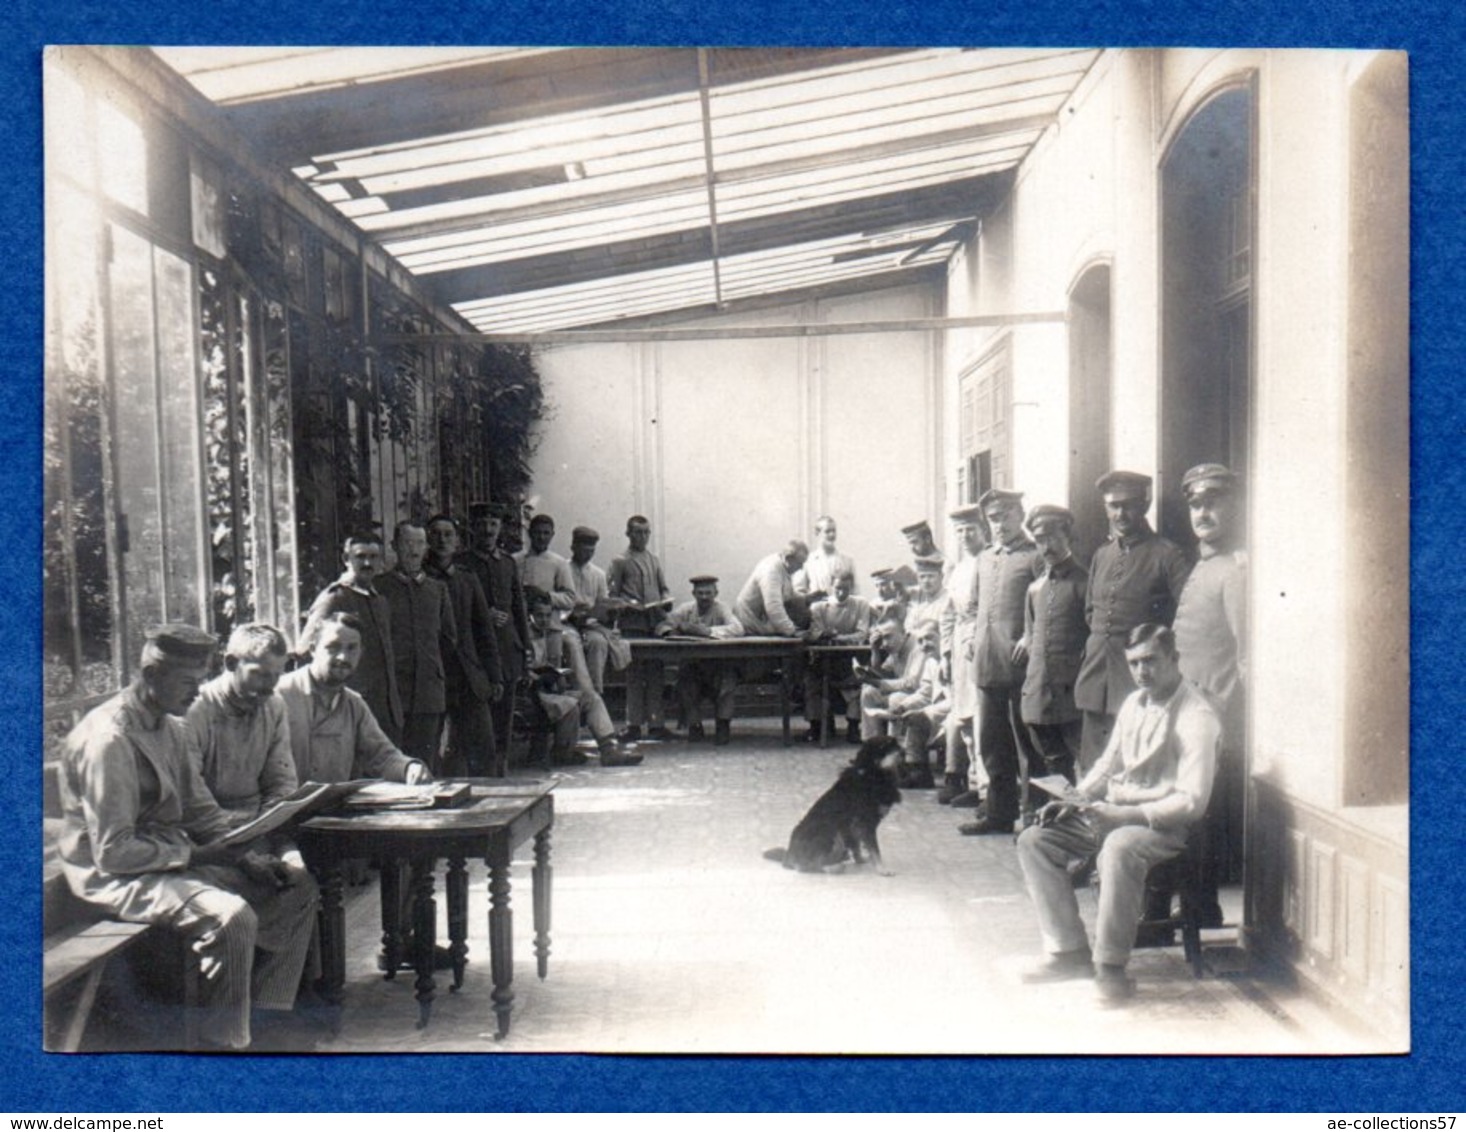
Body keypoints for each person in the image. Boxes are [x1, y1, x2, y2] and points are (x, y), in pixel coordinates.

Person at [57, 624, 318, 1050]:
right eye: (187, 682)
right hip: (114, 877)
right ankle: (226, 1045)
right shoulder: (110, 739)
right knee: (232, 918)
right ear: (150, 674)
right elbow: (112, 852)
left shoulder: (170, 727)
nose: (197, 694)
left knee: (298, 888)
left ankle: (269, 1022)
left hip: (167, 860)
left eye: (200, 682)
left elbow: (201, 811)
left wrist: (247, 857)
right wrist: (200, 857)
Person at [1015, 624, 1220, 1003]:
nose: (1142, 672)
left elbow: (1193, 802)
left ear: (1174, 659)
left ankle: (1109, 967)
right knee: (1035, 840)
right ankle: (1068, 951)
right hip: (1111, 812)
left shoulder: (1197, 716)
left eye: (1151, 661)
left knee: (1119, 848)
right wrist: (1075, 798)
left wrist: (1124, 816)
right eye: (1134, 663)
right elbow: (1108, 768)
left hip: (1163, 826)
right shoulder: (1133, 703)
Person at [1074, 471, 1192, 774]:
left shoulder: (1167, 555)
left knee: (1130, 765)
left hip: (1138, 678)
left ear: (1145, 505)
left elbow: (1187, 616)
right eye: (1113, 506)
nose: (1120, 513)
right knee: (1092, 765)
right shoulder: (1102, 555)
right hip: (1095, 678)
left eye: (1128, 505)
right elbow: (1091, 612)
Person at [1172, 463, 1247, 926]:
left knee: (1203, 815)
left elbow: (1245, 655)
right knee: (1191, 814)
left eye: (1212, 502)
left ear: (1234, 505)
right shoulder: (1205, 565)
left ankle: (1202, 908)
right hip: (1190, 710)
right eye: (1196, 504)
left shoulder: (1235, 571)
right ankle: (1197, 906)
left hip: (1213, 712)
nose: (1202, 512)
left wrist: (1229, 720)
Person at [960, 489, 1045, 836]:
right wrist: (969, 637)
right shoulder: (984, 558)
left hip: (1021, 665)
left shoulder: (1035, 556)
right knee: (991, 742)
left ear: (1019, 515)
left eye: (1006, 516)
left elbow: (1047, 604)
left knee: (1029, 745)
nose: (999, 524)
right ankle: (998, 812)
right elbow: (973, 606)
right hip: (987, 661)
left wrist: (1030, 635)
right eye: (993, 518)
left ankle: (1035, 817)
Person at [277, 612, 434, 786]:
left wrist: (409, 768)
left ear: (361, 653)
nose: (343, 657)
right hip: (284, 808)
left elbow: (382, 756)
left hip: (331, 809)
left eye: (352, 648)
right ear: (313, 649)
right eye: (333, 647)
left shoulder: (354, 705)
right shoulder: (279, 695)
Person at [184, 622, 297, 828]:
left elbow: (281, 782)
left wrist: (264, 827)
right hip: (206, 829)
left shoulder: (274, 706)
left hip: (259, 823)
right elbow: (191, 795)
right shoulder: (195, 711)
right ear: (231, 663)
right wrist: (230, 840)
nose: (270, 687)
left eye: (277, 675)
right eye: (261, 674)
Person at [299, 531, 403, 739]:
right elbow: (305, 650)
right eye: (360, 556)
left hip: (385, 712)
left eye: (373, 557)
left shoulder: (380, 601)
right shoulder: (334, 598)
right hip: (348, 711)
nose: (367, 563)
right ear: (346, 559)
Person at [425, 514, 504, 776]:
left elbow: (484, 631)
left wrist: (494, 676)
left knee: (483, 748)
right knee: (437, 750)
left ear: (457, 541)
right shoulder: (421, 579)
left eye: (448, 534)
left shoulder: (467, 579)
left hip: (470, 677)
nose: (442, 540)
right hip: (435, 678)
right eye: (435, 534)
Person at [525, 588, 641, 766]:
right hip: (532, 691)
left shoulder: (554, 635)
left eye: (548, 616)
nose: (544, 620)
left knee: (591, 698)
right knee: (570, 705)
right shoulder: (524, 636)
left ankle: (608, 749)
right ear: (530, 615)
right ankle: (562, 752)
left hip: (552, 689)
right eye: (539, 615)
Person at [1018, 505, 1089, 794]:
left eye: (1051, 537)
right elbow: (1031, 636)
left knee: (1084, 765)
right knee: (1051, 764)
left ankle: (1082, 826)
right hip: (1039, 695)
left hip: (1074, 696)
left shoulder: (1085, 583)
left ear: (1067, 536)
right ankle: (1055, 822)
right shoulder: (1035, 588)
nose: (1045, 546)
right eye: (1039, 540)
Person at [376, 521, 458, 769]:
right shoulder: (380, 588)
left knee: (426, 766)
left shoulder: (437, 589)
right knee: (393, 765)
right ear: (394, 547)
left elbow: (448, 639)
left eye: (420, 543)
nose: (414, 550)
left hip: (428, 694)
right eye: (407, 543)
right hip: (393, 695)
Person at [458, 502, 531, 770]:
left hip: (507, 650)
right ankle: (481, 771)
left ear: (499, 528)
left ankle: (501, 770)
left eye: (493, 524)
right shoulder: (463, 564)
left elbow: (518, 607)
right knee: (478, 719)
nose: (488, 530)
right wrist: (483, 615)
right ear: (472, 528)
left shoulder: (508, 563)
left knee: (504, 718)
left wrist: (524, 648)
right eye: (482, 524)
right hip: (476, 652)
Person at [607, 515, 674, 741]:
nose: (642, 537)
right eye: (637, 532)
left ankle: (656, 724)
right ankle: (633, 725)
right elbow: (612, 596)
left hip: (654, 625)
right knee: (634, 675)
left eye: (646, 532)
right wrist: (629, 606)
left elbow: (664, 588)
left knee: (656, 674)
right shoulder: (620, 561)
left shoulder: (653, 560)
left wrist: (666, 600)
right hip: (632, 625)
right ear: (628, 533)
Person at [659, 575, 745, 745]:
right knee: (685, 681)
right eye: (700, 593)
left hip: (718, 665)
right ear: (693, 593)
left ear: (716, 593)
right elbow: (663, 624)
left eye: (708, 593)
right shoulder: (686, 610)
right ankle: (694, 725)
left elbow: (737, 628)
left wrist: (707, 631)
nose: (704, 597)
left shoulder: (721, 609)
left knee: (728, 680)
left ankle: (723, 725)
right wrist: (673, 631)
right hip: (694, 665)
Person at [938, 504, 986, 806]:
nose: (966, 536)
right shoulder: (957, 569)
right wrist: (945, 653)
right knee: (964, 718)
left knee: (982, 718)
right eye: (960, 531)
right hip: (958, 647)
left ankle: (987, 789)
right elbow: (948, 614)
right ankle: (972, 781)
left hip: (980, 644)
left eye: (971, 529)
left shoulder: (988, 562)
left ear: (982, 530)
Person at [802, 569, 874, 744]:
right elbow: (817, 633)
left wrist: (836, 637)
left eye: (846, 589)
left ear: (851, 588)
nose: (841, 593)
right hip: (823, 658)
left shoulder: (860, 604)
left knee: (857, 681)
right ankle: (817, 725)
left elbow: (862, 633)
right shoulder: (819, 607)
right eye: (838, 588)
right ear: (831, 586)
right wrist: (828, 636)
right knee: (812, 682)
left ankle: (853, 725)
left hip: (849, 657)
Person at [566, 526, 615, 693]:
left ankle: (595, 693)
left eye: (591, 550)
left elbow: (602, 603)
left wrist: (608, 611)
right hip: (567, 623)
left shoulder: (598, 574)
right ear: (573, 547)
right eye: (584, 549)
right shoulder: (562, 569)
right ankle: (578, 690)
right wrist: (572, 614)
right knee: (571, 643)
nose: (588, 554)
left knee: (598, 642)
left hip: (589, 624)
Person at [734, 539, 810, 637]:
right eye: (800, 563)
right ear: (789, 558)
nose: (801, 568)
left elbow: (786, 594)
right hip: (748, 626)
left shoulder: (783, 566)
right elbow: (773, 606)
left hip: (759, 624)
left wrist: (806, 598)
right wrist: (792, 631)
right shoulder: (771, 569)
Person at [793, 515, 855, 602]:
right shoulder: (808, 561)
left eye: (834, 531)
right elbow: (798, 589)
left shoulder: (847, 560)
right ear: (817, 533)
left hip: (842, 611)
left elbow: (855, 591)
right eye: (827, 531)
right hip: (817, 610)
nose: (832, 534)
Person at [905, 554, 948, 636]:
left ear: (941, 576)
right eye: (922, 577)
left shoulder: (948, 601)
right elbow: (908, 632)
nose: (926, 581)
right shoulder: (917, 606)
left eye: (931, 576)